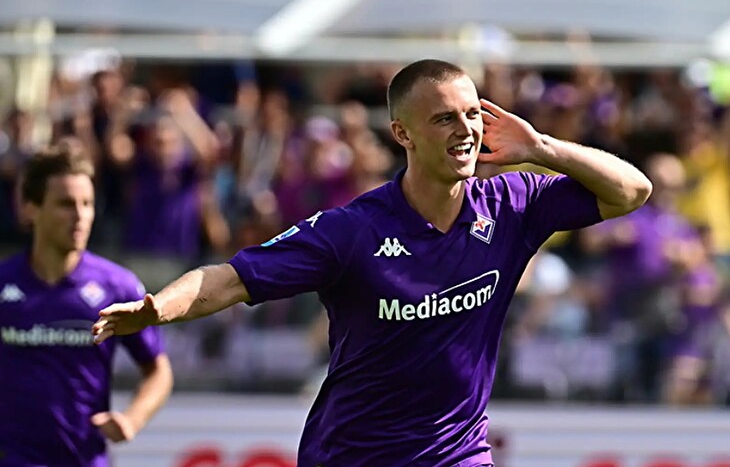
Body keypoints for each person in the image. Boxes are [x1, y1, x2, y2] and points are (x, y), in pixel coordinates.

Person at [93, 59, 652, 466]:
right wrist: (157, 308)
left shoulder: (511, 205)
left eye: (472, 114)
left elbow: (632, 191)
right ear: (402, 133)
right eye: (444, 119)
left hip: (457, 452)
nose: (465, 130)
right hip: (353, 454)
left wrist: (542, 148)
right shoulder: (351, 231)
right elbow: (231, 280)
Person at [0, 146, 173, 466]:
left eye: (88, 204)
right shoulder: (4, 283)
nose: (80, 216)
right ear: (31, 209)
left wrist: (132, 419)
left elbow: (158, 370)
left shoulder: (117, 287)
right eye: (66, 204)